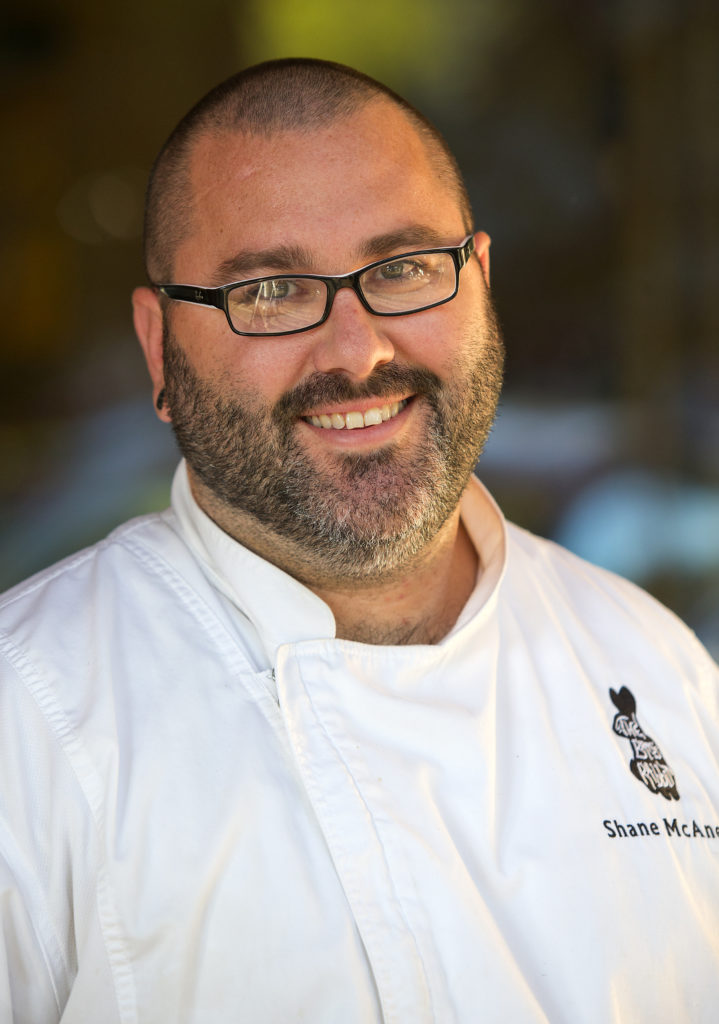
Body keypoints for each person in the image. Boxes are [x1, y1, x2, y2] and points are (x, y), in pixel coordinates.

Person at [0, 57, 717, 1024]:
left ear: (480, 285)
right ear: (159, 346)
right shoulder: (30, 721)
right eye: (271, 292)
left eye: (406, 269)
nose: (359, 350)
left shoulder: (656, 664)